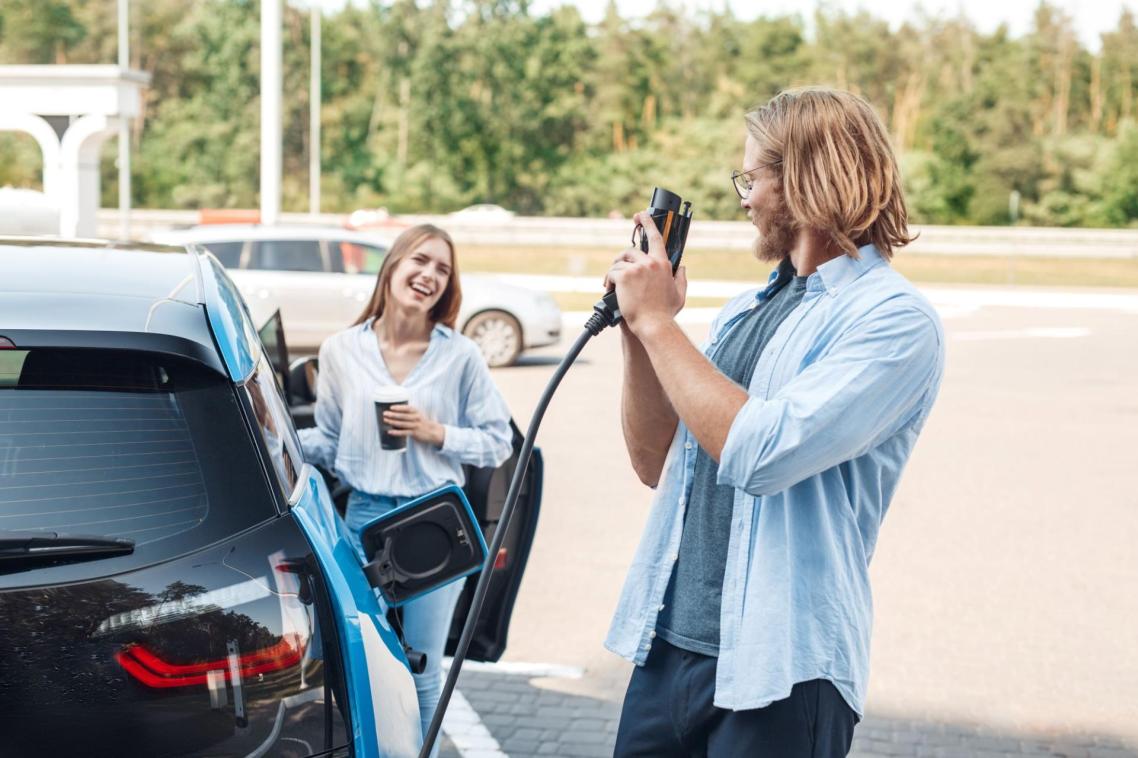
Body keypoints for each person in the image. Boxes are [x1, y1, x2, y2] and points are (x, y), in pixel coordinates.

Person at [603, 87, 945, 756]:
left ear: (807, 179)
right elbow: (654, 462)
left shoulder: (894, 321)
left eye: (753, 177)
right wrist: (638, 331)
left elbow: (760, 452)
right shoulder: (741, 311)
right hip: (670, 649)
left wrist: (659, 322)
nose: (744, 197)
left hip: (784, 671)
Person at [299, 223, 513, 754]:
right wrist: (268, 431)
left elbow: (498, 443)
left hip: (434, 522)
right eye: (421, 261)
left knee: (421, 670)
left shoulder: (459, 355)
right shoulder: (342, 350)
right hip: (363, 519)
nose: (429, 276)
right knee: (362, 662)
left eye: (442, 269)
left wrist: (433, 431)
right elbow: (328, 440)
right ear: (393, 266)